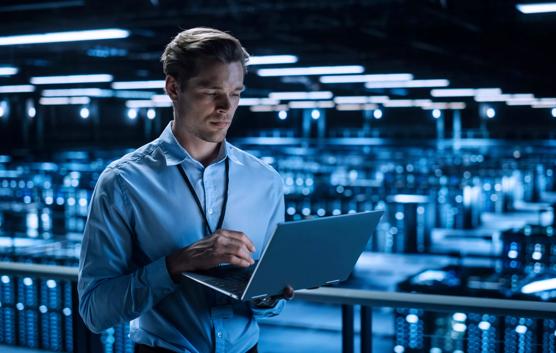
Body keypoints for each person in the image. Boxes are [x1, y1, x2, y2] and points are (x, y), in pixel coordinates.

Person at [78, 27, 293, 353]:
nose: (226, 107)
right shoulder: (124, 183)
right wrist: (176, 264)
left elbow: (271, 303)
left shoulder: (266, 182)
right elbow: (95, 311)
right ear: (173, 88)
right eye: (211, 92)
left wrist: (268, 295)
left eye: (236, 93)